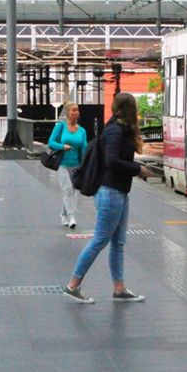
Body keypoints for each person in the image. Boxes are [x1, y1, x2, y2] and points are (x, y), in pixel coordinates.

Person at [64, 93, 153, 304]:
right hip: (110, 192)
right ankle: (72, 285)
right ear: (129, 109)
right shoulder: (115, 131)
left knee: (118, 242)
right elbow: (112, 161)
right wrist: (137, 168)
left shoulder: (119, 129)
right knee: (100, 240)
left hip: (119, 192)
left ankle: (119, 289)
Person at [49, 102, 88, 229]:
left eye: (77, 110)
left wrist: (85, 164)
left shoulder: (82, 131)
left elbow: (84, 148)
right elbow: (51, 142)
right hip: (62, 164)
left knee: (72, 191)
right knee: (67, 190)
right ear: (67, 112)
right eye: (73, 110)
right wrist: (62, 146)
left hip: (76, 165)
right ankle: (72, 217)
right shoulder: (60, 127)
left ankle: (63, 214)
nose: (76, 112)